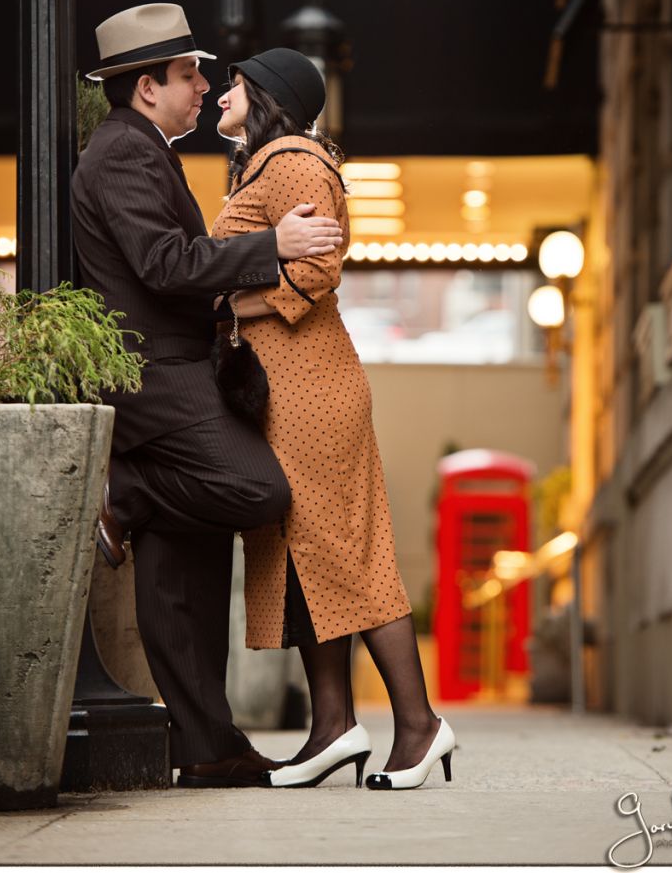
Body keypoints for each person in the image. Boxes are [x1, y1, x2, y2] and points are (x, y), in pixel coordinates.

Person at [70, 4, 344, 789]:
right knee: (259, 490)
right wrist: (274, 247)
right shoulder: (124, 151)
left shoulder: (141, 147)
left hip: (176, 367)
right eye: (189, 73)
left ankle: (209, 744)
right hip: (159, 375)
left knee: (179, 580)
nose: (203, 84)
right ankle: (132, 491)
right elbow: (163, 262)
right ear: (149, 85)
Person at [211, 48, 455, 791]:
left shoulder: (289, 155)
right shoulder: (266, 161)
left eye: (236, 83)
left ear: (266, 95)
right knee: (305, 554)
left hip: (310, 385)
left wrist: (222, 306)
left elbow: (317, 269)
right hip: (289, 385)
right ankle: (333, 725)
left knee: (343, 552)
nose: (223, 92)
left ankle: (417, 725)